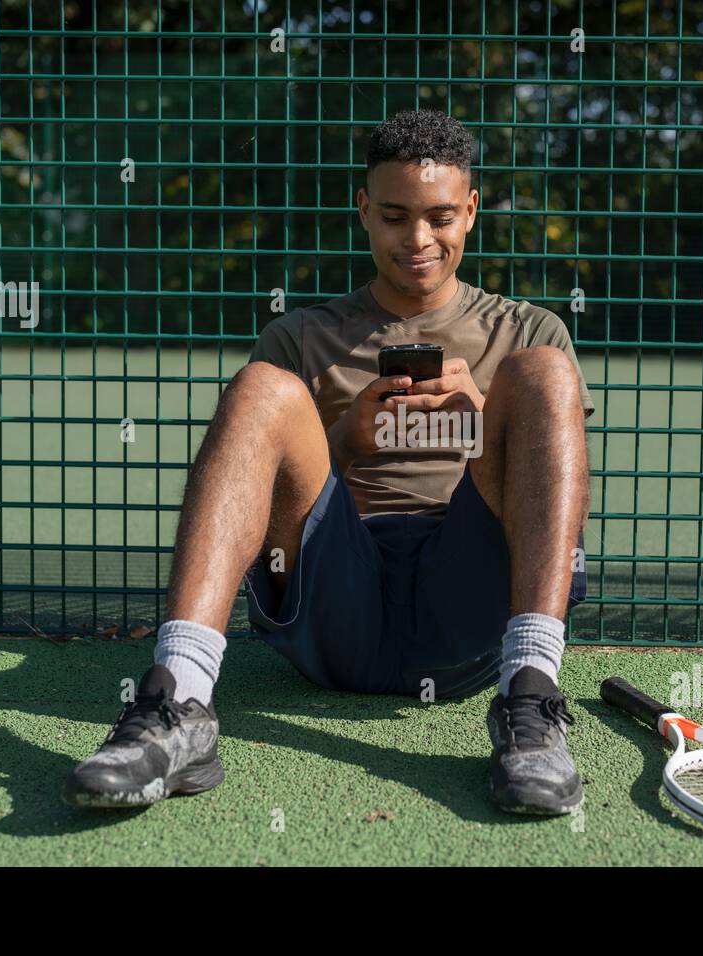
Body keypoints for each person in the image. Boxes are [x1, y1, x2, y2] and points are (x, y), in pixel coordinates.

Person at [63, 109, 595, 815]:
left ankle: (531, 700)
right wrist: (347, 439)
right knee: (261, 387)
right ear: (364, 210)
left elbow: (545, 483)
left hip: (469, 605)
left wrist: (481, 420)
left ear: (470, 212)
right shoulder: (301, 334)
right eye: (396, 216)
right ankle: (179, 699)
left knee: (546, 373)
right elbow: (277, 504)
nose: (418, 239)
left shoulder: (527, 327)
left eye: (440, 216)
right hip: (335, 597)